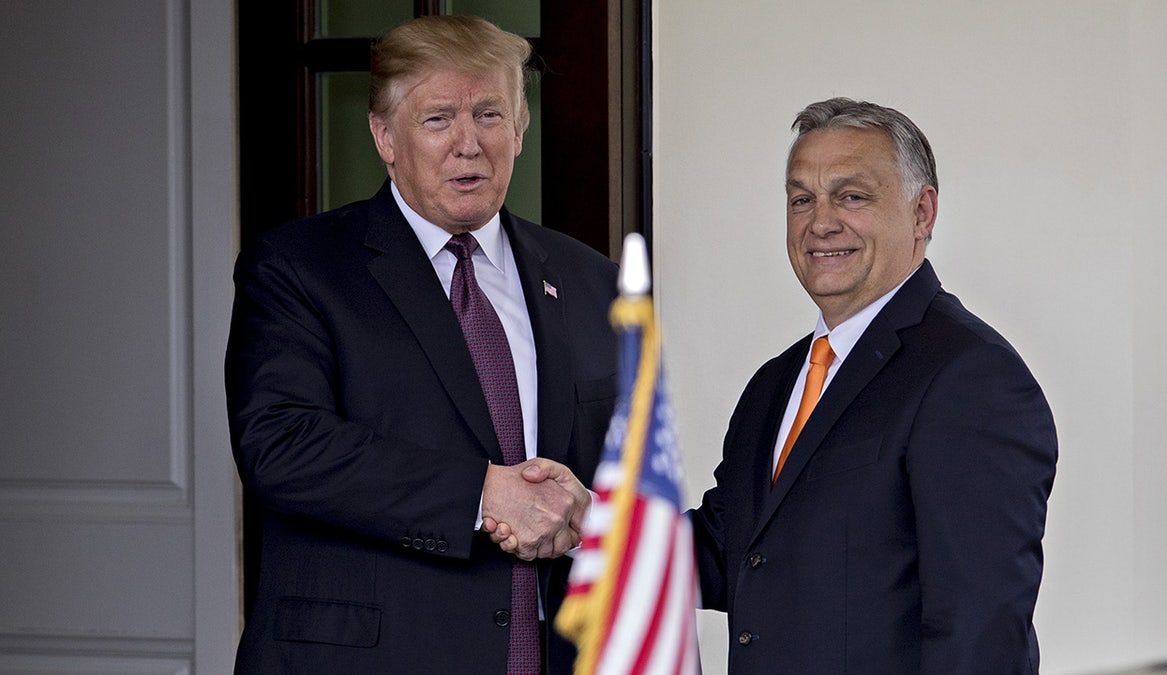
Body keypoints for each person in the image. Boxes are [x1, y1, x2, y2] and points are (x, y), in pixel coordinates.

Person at [224, 15, 618, 674]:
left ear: (520, 131)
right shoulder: (299, 266)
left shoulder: (591, 281)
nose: (469, 144)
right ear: (384, 136)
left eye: (490, 114)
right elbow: (281, 444)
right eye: (439, 119)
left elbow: (622, 467)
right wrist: (484, 493)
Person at [689, 98, 1058, 673]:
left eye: (852, 196)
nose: (821, 222)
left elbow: (980, 633)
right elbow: (730, 550)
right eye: (801, 200)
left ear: (922, 213)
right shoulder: (775, 383)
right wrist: (587, 523)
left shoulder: (971, 377)